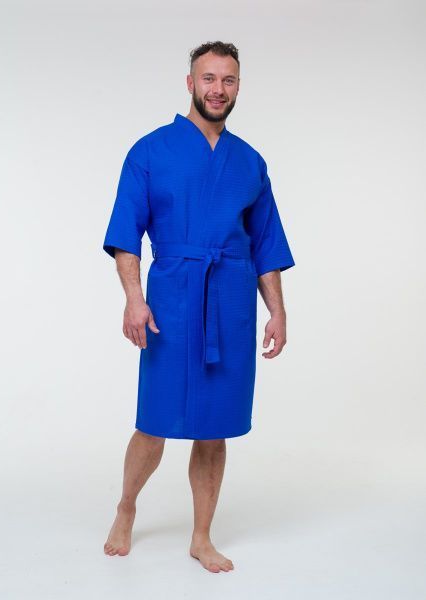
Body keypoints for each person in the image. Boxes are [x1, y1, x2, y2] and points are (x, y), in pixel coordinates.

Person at [102, 41, 295, 573]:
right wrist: (134, 300)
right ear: (190, 83)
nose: (217, 89)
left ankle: (202, 536)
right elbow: (126, 235)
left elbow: (266, 245)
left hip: (230, 302)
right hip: (171, 300)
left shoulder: (250, 162)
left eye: (228, 80)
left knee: (216, 425)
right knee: (154, 420)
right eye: (208, 78)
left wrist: (277, 311)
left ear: (238, 87)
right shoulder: (150, 151)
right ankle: (126, 506)